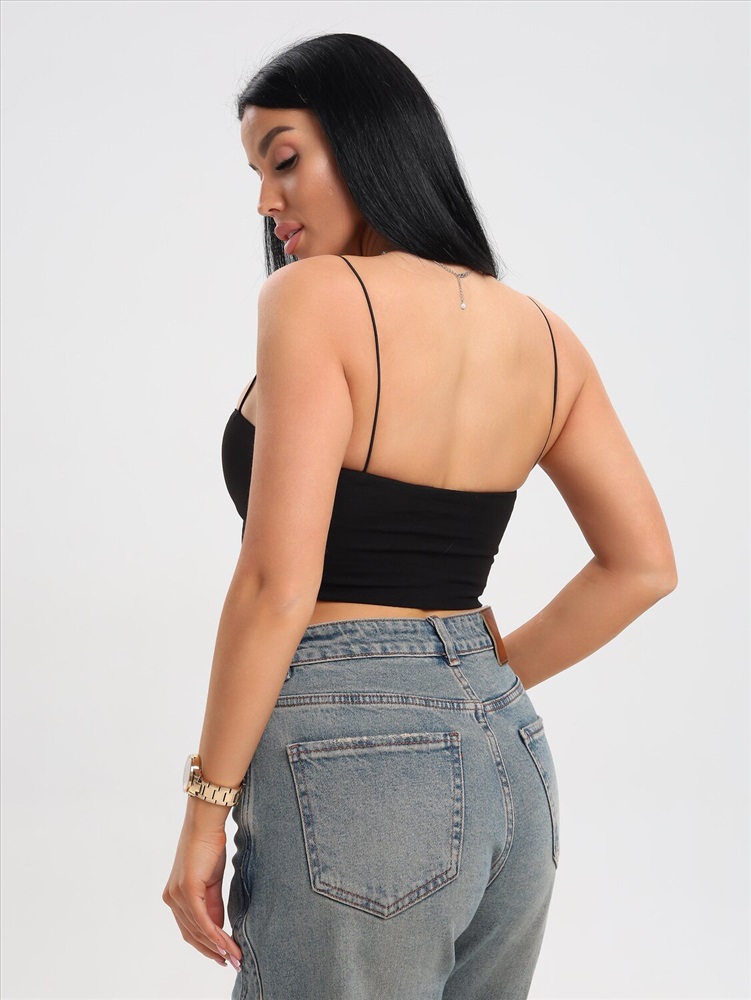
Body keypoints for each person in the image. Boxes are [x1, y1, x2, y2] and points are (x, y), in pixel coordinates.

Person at [162, 32, 677, 1000]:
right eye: (255, 174)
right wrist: (472, 675)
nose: (266, 201)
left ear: (367, 142)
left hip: (351, 761)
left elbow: (277, 583)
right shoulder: (544, 334)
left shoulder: (313, 297)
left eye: (283, 159)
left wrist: (204, 808)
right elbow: (642, 566)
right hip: (511, 762)